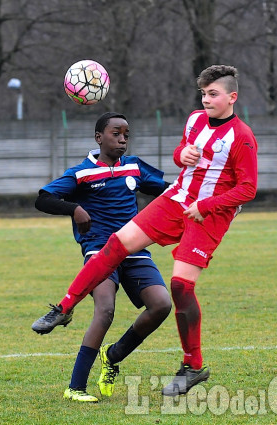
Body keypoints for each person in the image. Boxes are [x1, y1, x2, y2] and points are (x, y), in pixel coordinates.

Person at [31, 65, 258, 396]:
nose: (206, 99)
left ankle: (192, 366)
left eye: (213, 94)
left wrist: (206, 206)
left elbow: (248, 189)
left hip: (207, 214)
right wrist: (184, 154)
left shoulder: (243, 137)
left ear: (231, 97)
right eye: (203, 94)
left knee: (179, 287)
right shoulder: (195, 120)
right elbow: (181, 155)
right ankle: (63, 308)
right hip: (176, 199)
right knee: (115, 245)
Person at [31, 112, 172, 402]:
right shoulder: (81, 173)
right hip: (99, 250)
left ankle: (113, 355)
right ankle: (75, 387)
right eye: (115, 134)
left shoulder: (133, 167)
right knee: (105, 309)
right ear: (99, 138)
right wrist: (74, 208)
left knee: (161, 305)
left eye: (126, 135)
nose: (122, 140)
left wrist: (210, 198)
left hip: (134, 249)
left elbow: (171, 190)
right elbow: (43, 198)